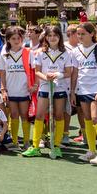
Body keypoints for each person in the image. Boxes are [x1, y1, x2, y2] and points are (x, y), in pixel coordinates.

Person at [25, 26, 73, 159]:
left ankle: (56, 146)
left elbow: (68, 72)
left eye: (55, 36)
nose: (52, 38)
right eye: (50, 36)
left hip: (60, 88)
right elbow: (37, 71)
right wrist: (46, 77)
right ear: (46, 37)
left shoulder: (66, 53)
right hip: (45, 87)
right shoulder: (40, 53)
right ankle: (35, 146)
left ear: (60, 37)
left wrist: (57, 75)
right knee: (39, 115)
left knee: (59, 115)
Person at [72, 22, 97, 166]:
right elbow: (75, 73)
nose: (80, 36)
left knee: (96, 117)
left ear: (91, 34)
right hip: (82, 89)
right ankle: (91, 151)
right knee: (87, 119)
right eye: (78, 34)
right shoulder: (76, 51)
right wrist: (72, 91)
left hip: (96, 89)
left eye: (83, 33)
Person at [0, 26, 33, 151]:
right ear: (8, 40)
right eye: (13, 38)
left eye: (19, 38)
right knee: (13, 115)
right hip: (11, 90)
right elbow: (2, 73)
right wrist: (3, 89)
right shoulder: (4, 54)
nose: (16, 40)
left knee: (24, 115)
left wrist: (33, 85)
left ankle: (26, 141)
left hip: (24, 89)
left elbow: (33, 71)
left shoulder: (28, 53)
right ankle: (14, 142)